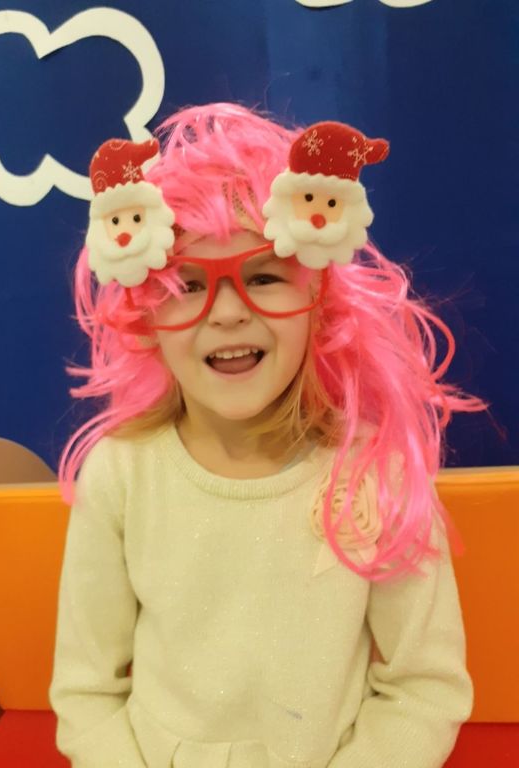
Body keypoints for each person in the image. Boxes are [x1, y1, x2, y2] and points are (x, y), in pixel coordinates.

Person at [50, 103, 484, 768]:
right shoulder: (121, 473)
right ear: (147, 317)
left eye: (262, 277)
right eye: (188, 285)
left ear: (319, 302)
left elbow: (423, 689)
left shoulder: (375, 469)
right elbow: (87, 692)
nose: (227, 312)